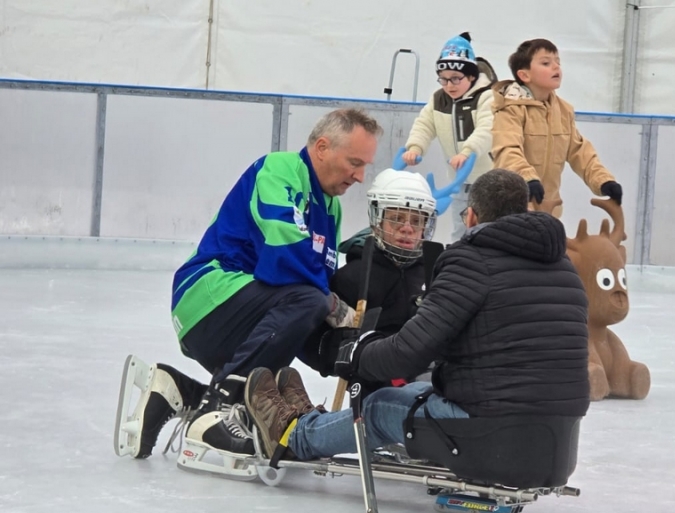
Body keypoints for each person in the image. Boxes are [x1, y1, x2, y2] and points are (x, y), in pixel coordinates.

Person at [241, 168, 591, 464]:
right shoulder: (565, 269)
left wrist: (354, 353)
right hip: (556, 445)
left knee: (378, 407)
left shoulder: (469, 261)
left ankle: (294, 435)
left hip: (490, 437)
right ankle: (317, 423)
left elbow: (408, 351)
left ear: (470, 216)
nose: (408, 229)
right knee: (417, 391)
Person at [118, 108, 382, 469]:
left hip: (248, 313)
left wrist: (349, 351)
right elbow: (286, 256)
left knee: (299, 328)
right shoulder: (279, 170)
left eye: (365, 165)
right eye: (355, 162)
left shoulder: (330, 208)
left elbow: (316, 292)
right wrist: (334, 307)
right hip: (207, 296)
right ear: (322, 147)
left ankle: (179, 390)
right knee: (308, 300)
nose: (360, 176)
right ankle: (214, 411)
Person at [301, 168, 436, 387]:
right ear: (377, 221)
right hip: (378, 389)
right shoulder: (354, 276)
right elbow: (315, 346)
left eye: (417, 221)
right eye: (397, 219)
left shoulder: (434, 273)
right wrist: (350, 350)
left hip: (431, 382)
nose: (407, 229)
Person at [491, 39, 623, 218]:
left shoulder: (562, 110)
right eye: (546, 63)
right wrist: (527, 178)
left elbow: (579, 151)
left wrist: (603, 181)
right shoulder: (510, 109)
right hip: (513, 206)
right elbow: (507, 150)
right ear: (524, 75)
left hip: (548, 207)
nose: (556, 67)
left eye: (558, 62)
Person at [401, 32, 495, 242]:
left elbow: (487, 129)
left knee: (489, 226)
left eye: (455, 79)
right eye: (443, 79)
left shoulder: (486, 97)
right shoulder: (438, 99)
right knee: (460, 228)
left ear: (471, 76)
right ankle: (459, 261)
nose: (449, 85)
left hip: (488, 177)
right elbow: (424, 124)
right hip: (458, 180)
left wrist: (468, 152)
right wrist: (415, 147)